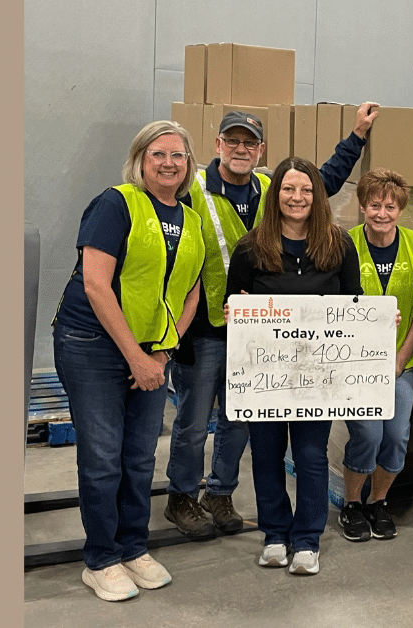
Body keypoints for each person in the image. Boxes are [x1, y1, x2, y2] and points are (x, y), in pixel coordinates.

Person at [164, 104, 378, 539]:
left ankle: (220, 493)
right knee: (194, 420)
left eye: (250, 142)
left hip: (263, 341)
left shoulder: (271, 186)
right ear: (218, 144)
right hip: (205, 325)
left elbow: (321, 181)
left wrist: (356, 137)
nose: (241, 149)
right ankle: (182, 495)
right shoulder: (192, 189)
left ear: (261, 150)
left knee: (238, 420)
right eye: (233, 141)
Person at [51, 121, 205, 601]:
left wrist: (162, 352)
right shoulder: (115, 204)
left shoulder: (191, 218)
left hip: (152, 351)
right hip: (92, 344)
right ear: (140, 160)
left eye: (177, 155)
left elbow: (191, 291)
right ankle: (101, 558)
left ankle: (133, 547)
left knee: (139, 456)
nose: (168, 163)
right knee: (102, 457)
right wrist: (136, 357)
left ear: (188, 164)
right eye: (158, 154)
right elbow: (96, 284)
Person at [223, 156, 363, 576]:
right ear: (276, 195)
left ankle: (306, 540)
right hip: (264, 376)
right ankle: (274, 534)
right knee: (266, 455)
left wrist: (376, 321)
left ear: (317, 196)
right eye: (288, 189)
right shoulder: (250, 248)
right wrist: (234, 313)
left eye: (305, 190)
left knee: (310, 456)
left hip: (317, 378)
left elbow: (353, 304)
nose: (297, 197)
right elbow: (234, 302)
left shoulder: (339, 245)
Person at [337, 168, 413, 542]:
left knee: (395, 437)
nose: (382, 213)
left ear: (401, 210)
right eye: (375, 205)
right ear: (362, 206)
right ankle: (352, 503)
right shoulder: (345, 244)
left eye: (390, 207)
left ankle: (378, 501)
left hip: (401, 363)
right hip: (355, 365)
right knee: (368, 434)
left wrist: (400, 357)